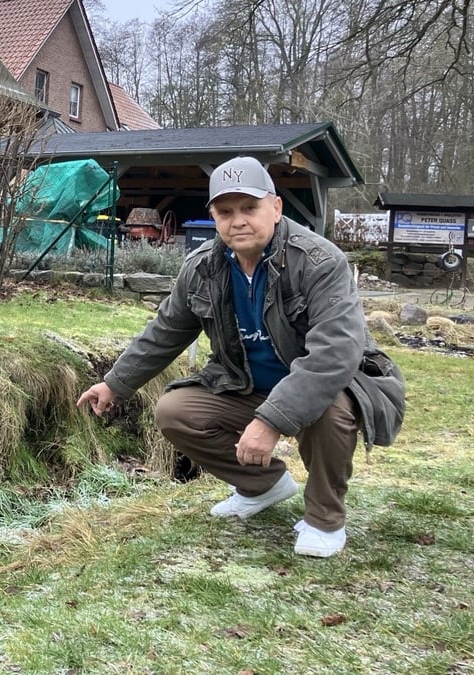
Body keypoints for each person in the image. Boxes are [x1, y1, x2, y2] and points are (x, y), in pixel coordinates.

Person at [77, 156, 404, 558]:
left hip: (329, 384)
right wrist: (115, 382)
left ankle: (324, 520)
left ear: (276, 207)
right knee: (176, 411)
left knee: (333, 409)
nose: (239, 221)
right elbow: (165, 332)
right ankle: (261, 485)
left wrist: (270, 421)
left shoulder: (320, 262)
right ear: (213, 216)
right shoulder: (201, 268)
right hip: (246, 384)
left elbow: (335, 355)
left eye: (250, 208)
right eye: (225, 211)